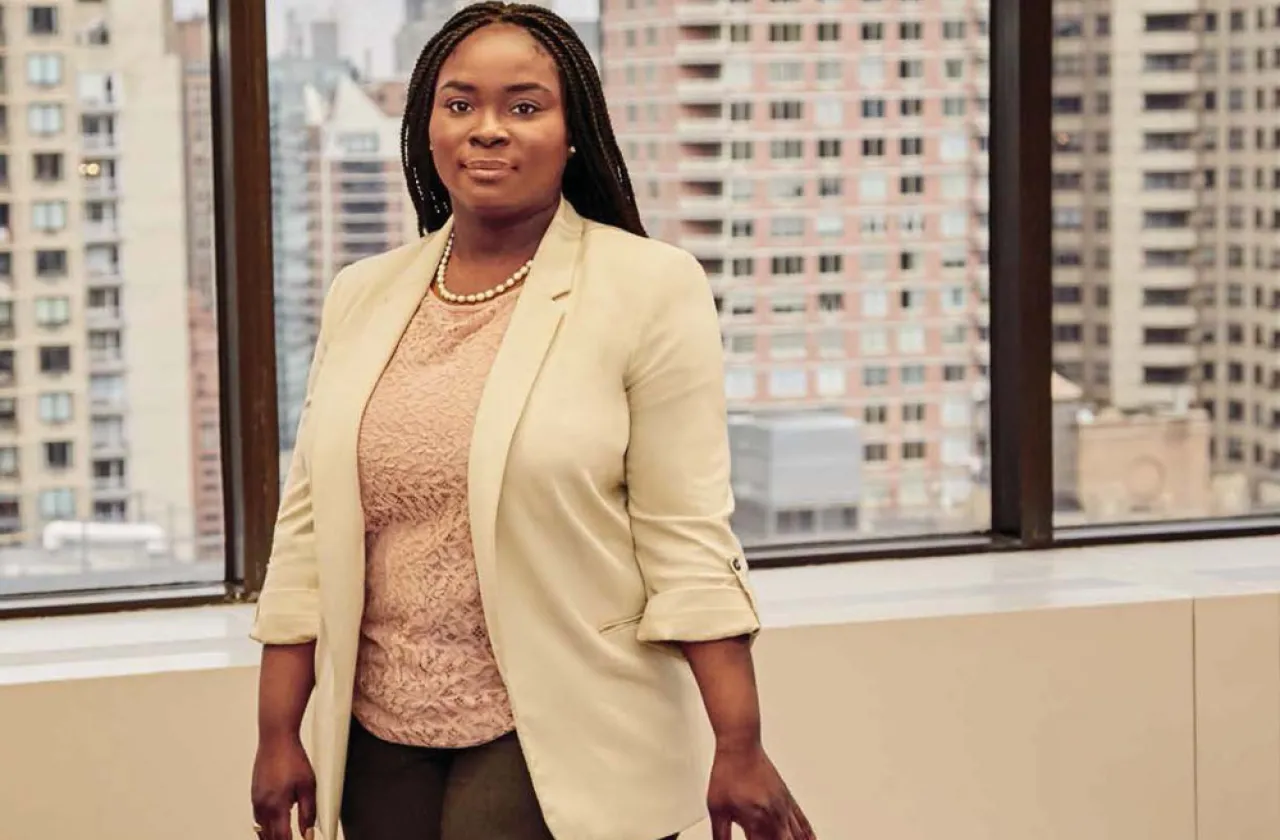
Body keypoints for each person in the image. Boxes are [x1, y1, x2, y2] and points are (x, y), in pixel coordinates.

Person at [249, 3, 815, 839]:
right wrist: (275, 732)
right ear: (426, 126)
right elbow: (304, 532)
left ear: (573, 130)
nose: (487, 130)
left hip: (561, 715)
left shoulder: (649, 287)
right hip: (378, 729)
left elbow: (684, 531)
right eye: (459, 104)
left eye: (523, 106)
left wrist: (740, 741)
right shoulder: (361, 295)